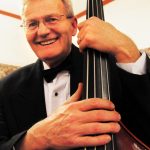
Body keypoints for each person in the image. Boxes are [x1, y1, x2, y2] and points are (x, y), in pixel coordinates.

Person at [0, 0, 150, 149]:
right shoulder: (4, 88)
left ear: (73, 26)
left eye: (51, 19)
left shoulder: (117, 67)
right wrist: (34, 139)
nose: (43, 31)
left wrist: (126, 48)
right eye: (32, 24)